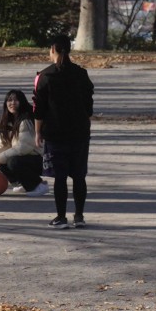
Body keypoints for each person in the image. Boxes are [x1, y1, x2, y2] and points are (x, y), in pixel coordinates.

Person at [33, 34, 94, 229]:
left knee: (60, 177)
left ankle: (61, 217)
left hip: (55, 133)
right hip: (79, 133)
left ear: (53, 49)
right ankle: (79, 216)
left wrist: (38, 132)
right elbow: (89, 106)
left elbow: (38, 109)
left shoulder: (44, 76)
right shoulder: (81, 74)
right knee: (79, 176)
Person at [0, 90, 49, 196]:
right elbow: (2, 142)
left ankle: (38, 185)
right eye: (9, 100)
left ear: (22, 102)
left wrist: (1, 157)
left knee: (12, 161)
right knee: (1, 159)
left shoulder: (26, 119)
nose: (12, 103)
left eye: (16, 100)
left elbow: (25, 146)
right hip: (28, 158)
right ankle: (21, 183)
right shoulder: (9, 120)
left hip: (43, 160)